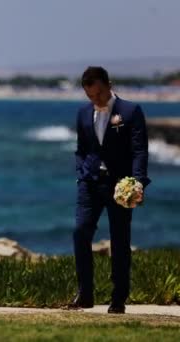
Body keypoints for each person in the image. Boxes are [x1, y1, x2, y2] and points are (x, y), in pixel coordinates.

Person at [69, 66, 151, 314]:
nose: (96, 100)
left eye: (100, 94)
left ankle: (118, 298)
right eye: (90, 96)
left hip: (120, 186)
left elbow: (139, 149)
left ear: (109, 84)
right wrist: (81, 174)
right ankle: (85, 294)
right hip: (90, 184)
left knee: (119, 239)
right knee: (80, 232)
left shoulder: (130, 111)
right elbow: (81, 149)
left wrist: (137, 182)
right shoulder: (83, 114)